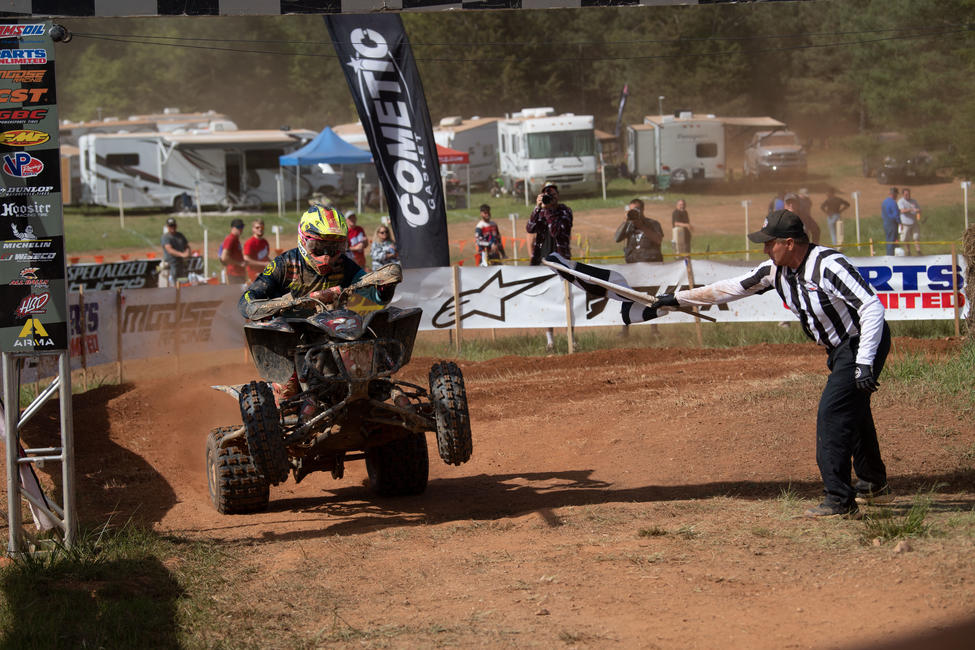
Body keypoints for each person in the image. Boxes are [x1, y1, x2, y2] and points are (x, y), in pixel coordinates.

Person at [642, 210, 891, 518]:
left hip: (862, 342)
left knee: (833, 414)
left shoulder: (828, 266)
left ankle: (839, 499)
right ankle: (873, 482)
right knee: (852, 410)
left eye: (768, 243)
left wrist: (864, 362)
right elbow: (732, 287)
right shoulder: (775, 270)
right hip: (839, 349)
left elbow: (871, 306)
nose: (764, 249)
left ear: (789, 243)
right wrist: (678, 300)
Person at [239, 206, 394, 407]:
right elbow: (247, 300)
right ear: (304, 240)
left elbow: (372, 292)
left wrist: (384, 287)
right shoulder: (284, 265)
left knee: (371, 358)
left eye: (335, 248)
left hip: (335, 333)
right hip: (292, 338)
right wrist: (282, 303)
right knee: (288, 389)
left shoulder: (345, 265)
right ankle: (278, 416)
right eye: (319, 248)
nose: (327, 256)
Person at [527, 183, 573, 352]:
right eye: (546, 195)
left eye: (552, 195)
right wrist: (537, 207)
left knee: (567, 300)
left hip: (562, 261)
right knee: (547, 301)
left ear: (558, 196)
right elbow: (530, 227)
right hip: (543, 261)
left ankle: (571, 339)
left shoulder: (565, 212)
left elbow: (556, 231)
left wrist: (548, 210)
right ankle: (550, 342)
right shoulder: (541, 210)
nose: (549, 198)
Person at [615, 198, 664, 263]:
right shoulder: (628, 225)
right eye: (631, 210)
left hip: (651, 262)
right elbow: (617, 239)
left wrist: (642, 227)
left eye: (636, 209)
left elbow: (658, 240)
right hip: (633, 263)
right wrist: (625, 222)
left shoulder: (653, 223)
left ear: (642, 209)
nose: (633, 212)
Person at [161, 217, 191, 287]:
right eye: (170, 226)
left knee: (184, 282)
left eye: (173, 225)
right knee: (173, 283)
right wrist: (182, 254)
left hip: (181, 264)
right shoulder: (165, 237)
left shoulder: (180, 236)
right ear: (167, 227)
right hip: (171, 264)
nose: (172, 227)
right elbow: (169, 249)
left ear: (176, 225)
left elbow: (186, 246)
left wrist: (187, 252)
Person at [219, 218, 247, 283]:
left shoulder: (236, 239)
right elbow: (224, 257)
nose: (241, 229)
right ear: (233, 228)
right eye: (239, 227)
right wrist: (239, 263)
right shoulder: (230, 239)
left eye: (242, 227)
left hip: (239, 274)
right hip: (233, 274)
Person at [897, 188, 922, 256]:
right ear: (903, 194)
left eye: (908, 194)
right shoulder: (900, 201)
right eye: (906, 194)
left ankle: (918, 250)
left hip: (914, 222)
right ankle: (908, 251)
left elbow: (919, 209)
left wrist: (918, 211)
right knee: (906, 238)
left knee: (916, 236)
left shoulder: (913, 201)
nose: (908, 195)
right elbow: (902, 211)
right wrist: (911, 209)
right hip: (905, 223)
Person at [881, 187, 901, 256]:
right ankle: (891, 256)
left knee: (888, 240)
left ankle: (889, 254)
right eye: (896, 194)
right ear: (894, 194)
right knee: (892, 240)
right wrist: (900, 222)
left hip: (886, 223)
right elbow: (896, 215)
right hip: (892, 224)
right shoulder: (893, 203)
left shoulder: (884, 202)